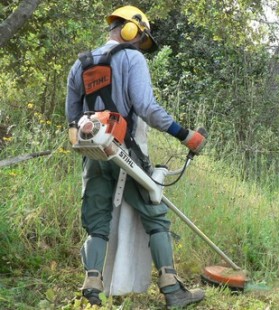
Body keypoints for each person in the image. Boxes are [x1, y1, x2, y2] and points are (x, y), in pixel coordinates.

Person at [65, 5, 205, 308]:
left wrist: (90, 145)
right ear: (130, 29)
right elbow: (147, 108)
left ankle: (92, 284)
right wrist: (186, 135)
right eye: (140, 37)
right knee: (154, 213)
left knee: (97, 220)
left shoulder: (80, 65)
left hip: (94, 153)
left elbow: (72, 120)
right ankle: (172, 289)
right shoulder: (132, 58)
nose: (140, 43)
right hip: (126, 152)